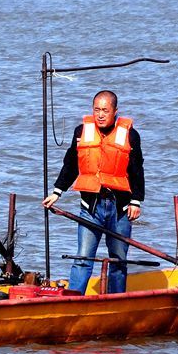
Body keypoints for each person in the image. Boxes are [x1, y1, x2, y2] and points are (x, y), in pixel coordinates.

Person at [42, 90, 145, 295]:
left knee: (118, 260)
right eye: (96, 109)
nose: (100, 114)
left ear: (115, 111)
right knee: (83, 258)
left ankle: (116, 301)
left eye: (105, 110)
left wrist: (136, 201)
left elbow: (136, 170)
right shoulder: (81, 132)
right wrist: (57, 192)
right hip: (90, 209)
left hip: (120, 210)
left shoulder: (130, 135)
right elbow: (71, 164)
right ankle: (74, 299)